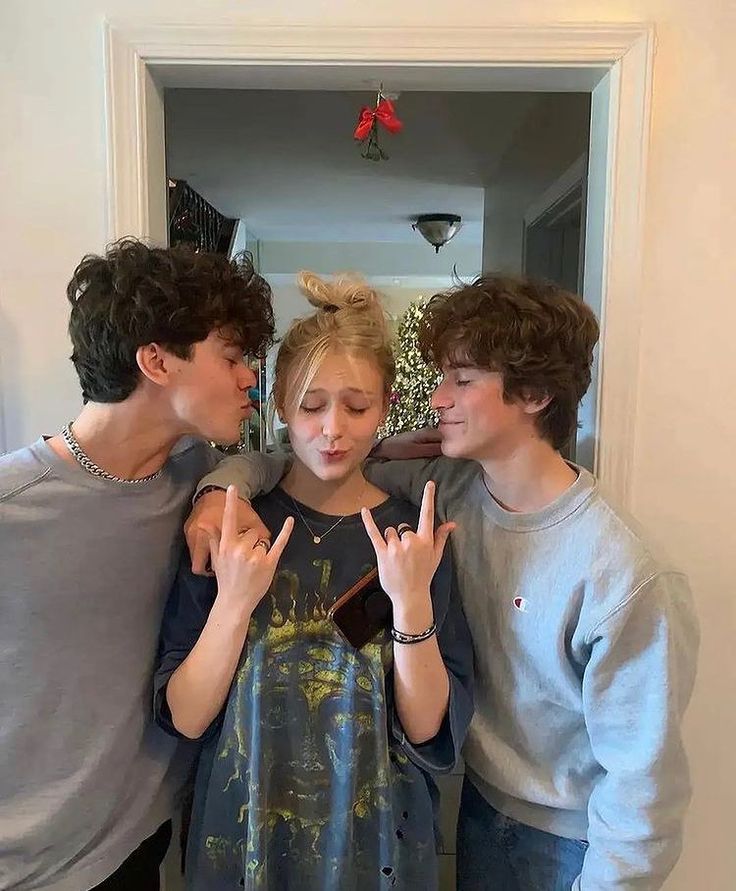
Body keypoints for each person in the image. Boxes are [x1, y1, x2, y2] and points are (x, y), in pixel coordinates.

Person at [189, 273, 699, 891]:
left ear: (534, 392)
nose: (438, 399)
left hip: (573, 836)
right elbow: (314, 460)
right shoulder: (448, 489)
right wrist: (222, 486)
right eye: (438, 379)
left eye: (461, 380)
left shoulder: (625, 573)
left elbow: (645, 786)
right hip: (478, 811)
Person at [154, 272, 473, 891]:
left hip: (376, 838)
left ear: (385, 406)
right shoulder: (230, 522)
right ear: (279, 407)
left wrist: (410, 606)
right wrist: (233, 603)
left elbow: (430, 726)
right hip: (242, 833)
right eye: (310, 406)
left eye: (357, 407)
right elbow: (186, 718)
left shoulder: (413, 537)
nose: (333, 429)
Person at [0, 238, 274, 891]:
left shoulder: (192, 474)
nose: (250, 380)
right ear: (156, 360)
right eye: (232, 357)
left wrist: (218, 487)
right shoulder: (12, 509)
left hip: (138, 846)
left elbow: (274, 462)